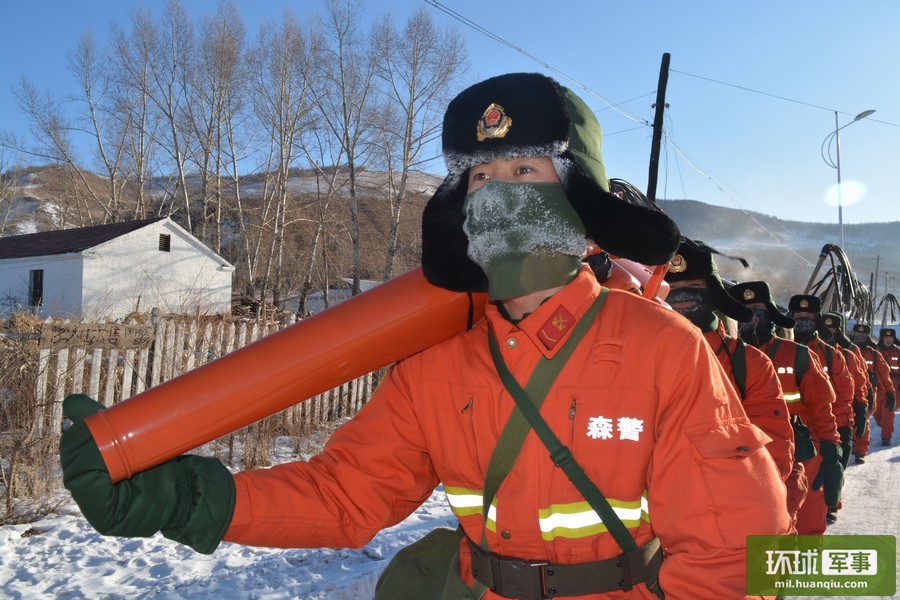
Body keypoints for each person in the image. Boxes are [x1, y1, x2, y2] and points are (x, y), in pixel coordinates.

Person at [60, 72, 790, 599]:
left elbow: (732, 552)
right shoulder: (435, 365)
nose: (500, 192)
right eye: (479, 178)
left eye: (526, 168)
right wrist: (185, 498)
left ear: (578, 198)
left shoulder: (663, 349)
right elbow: (346, 496)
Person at [665, 240, 794, 484]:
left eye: (693, 285)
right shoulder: (642, 355)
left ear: (713, 292)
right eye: (672, 286)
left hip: (725, 500)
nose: (682, 294)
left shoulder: (749, 363)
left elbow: (772, 448)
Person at [728, 281, 841, 536]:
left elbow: (821, 409)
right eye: (745, 308)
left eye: (758, 307)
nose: (753, 315)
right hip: (740, 458)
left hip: (796, 453)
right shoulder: (720, 354)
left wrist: (832, 453)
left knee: (806, 521)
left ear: (770, 311)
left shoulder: (798, 355)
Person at [787, 295, 858, 525]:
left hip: (819, 435)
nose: (803, 321)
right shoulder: (778, 350)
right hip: (785, 435)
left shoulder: (831, 354)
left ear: (817, 319)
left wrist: (842, 430)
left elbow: (843, 394)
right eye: (798, 316)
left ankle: (830, 505)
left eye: (808, 317)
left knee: (815, 495)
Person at [821, 312, 874, 463]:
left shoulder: (850, 353)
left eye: (833, 330)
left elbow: (860, 378)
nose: (828, 334)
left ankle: (861, 450)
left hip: (844, 409)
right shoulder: (810, 352)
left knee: (860, 429)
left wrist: (864, 401)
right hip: (818, 412)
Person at [851, 323, 897, 446]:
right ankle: (852, 441)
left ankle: (861, 449)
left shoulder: (874, 354)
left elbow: (884, 373)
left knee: (874, 416)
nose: (860, 337)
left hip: (870, 391)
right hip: (848, 391)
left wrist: (890, 391)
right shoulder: (845, 351)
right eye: (858, 335)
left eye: (863, 335)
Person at [877, 327, 900, 396]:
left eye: (891, 338)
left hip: (896, 386)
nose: (888, 340)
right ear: (882, 339)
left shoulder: (898, 352)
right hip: (880, 386)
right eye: (886, 338)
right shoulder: (876, 352)